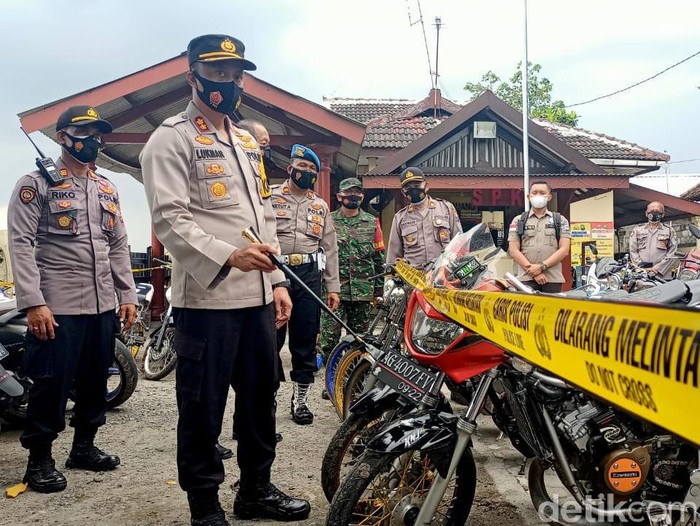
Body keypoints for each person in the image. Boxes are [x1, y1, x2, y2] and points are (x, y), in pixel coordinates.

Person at [140, 34, 309, 526]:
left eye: (235, 75)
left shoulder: (244, 141)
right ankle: (204, 505)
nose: (230, 84)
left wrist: (277, 283)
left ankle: (255, 490)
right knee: (202, 408)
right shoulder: (171, 139)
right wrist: (228, 256)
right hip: (208, 300)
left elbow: (265, 217)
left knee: (260, 402)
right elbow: (169, 220)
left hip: (256, 298)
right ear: (192, 76)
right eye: (217, 74)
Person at [8, 105, 138, 493]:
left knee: (95, 379)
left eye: (98, 134)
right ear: (63, 136)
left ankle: (84, 447)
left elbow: (118, 244)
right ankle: (39, 460)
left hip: (101, 305)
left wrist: (127, 293)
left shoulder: (106, 188)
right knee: (51, 382)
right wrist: (33, 302)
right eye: (84, 133)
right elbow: (21, 242)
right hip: (57, 305)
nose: (92, 141)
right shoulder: (37, 184)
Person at [271, 144, 340, 425]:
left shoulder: (320, 205)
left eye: (312, 169)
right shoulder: (271, 197)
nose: (307, 173)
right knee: (270, 337)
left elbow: (330, 248)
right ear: (290, 169)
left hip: (309, 272)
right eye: (302, 168)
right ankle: (268, 396)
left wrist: (332, 286)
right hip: (275, 271)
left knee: (305, 338)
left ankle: (300, 399)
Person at [228, 119, 283, 444]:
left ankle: (256, 480)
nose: (263, 150)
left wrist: (278, 283)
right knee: (213, 384)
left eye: (265, 145)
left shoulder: (259, 182)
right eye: (259, 143)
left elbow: (268, 232)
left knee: (263, 378)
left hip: (261, 294)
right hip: (219, 293)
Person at [319, 178, 385, 360]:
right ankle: (329, 380)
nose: (353, 196)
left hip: (362, 291)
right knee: (329, 341)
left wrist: (379, 290)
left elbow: (379, 259)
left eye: (356, 193)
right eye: (348, 193)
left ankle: (352, 381)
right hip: (334, 292)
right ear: (339, 196)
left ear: (362, 196)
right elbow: (320, 255)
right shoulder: (328, 221)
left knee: (360, 341)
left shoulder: (372, 222)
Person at [387, 166, 462, 267]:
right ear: (403, 192)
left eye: (417, 186)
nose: (413, 190)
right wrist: (390, 281)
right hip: (414, 279)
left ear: (426, 186)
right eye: (408, 188)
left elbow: (459, 243)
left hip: (442, 275)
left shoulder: (446, 208)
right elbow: (393, 257)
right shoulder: (400, 218)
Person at [507, 181, 571, 293]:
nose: (538, 196)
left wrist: (541, 267)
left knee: (551, 310)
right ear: (528, 196)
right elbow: (513, 250)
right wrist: (533, 271)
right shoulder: (518, 220)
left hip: (552, 279)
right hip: (525, 279)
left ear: (549, 197)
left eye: (542, 193)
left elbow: (564, 250)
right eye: (534, 193)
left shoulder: (560, 220)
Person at [629, 201, 678, 279]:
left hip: (662, 275)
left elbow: (672, 253)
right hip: (642, 273)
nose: (654, 214)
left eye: (657, 212)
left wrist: (657, 268)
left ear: (663, 214)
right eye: (651, 211)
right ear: (646, 213)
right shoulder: (638, 230)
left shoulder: (669, 230)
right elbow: (633, 250)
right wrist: (642, 267)